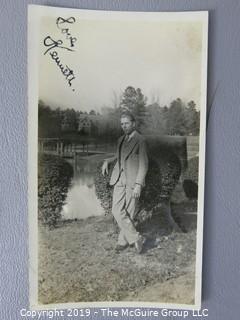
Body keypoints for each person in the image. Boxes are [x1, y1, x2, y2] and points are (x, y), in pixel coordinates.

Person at [102, 112, 149, 254]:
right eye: (122, 124)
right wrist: (107, 161)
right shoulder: (121, 139)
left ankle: (122, 241)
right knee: (116, 210)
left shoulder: (141, 140)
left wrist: (138, 185)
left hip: (132, 182)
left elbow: (144, 164)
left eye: (126, 123)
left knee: (129, 213)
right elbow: (119, 155)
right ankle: (136, 237)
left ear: (133, 123)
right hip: (119, 179)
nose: (124, 126)